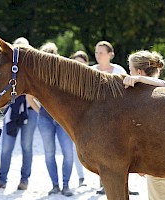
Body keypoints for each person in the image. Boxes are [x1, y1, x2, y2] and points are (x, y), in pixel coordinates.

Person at [123, 50, 165, 200]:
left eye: (130, 70)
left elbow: (164, 84)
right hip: (156, 155)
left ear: (139, 71)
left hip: (163, 155)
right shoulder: (144, 93)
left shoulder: (159, 89)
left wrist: (138, 78)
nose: (129, 73)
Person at [0, 37, 40, 191]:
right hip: (11, 113)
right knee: (6, 148)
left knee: (26, 147)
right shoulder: (10, 71)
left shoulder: (33, 72)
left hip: (29, 113)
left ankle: (24, 180)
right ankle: (2, 179)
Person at [92, 40, 139, 195]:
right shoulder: (90, 71)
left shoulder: (119, 70)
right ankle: (104, 184)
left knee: (121, 153)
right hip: (97, 120)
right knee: (101, 152)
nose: (98, 55)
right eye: (97, 52)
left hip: (118, 120)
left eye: (101, 52)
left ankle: (125, 185)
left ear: (110, 54)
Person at [37, 42, 74, 197]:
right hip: (45, 118)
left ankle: (65, 185)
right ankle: (55, 185)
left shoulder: (64, 74)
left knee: (68, 152)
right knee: (49, 153)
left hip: (62, 119)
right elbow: (30, 97)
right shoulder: (38, 76)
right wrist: (39, 109)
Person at [69, 50, 89, 187]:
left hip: (91, 120)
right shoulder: (68, 82)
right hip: (76, 121)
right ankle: (81, 177)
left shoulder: (93, 79)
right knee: (75, 148)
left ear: (86, 64)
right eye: (75, 63)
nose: (78, 66)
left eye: (81, 63)